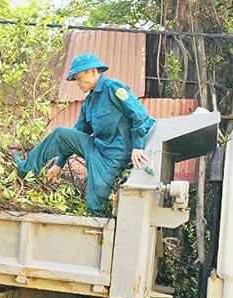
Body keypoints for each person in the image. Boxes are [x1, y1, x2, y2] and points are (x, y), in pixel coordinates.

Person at [11, 53, 156, 216]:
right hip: (96, 149)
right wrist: (59, 164)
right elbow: (78, 133)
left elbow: (139, 115)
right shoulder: (89, 102)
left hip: (114, 157)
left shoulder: (114, 88)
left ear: (93, 71)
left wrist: (138, 146)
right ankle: (26, 170)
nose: (78, 83)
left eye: (79, 78)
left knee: (94, 207)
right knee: (61, 134)